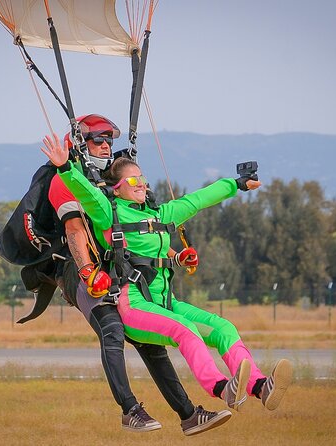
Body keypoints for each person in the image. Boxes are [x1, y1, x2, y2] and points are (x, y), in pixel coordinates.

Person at [41, 131, 293, 414]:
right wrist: (65, 168)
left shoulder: (162, 215)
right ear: (117, 188)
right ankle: (222, 388)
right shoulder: (108, 213)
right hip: (134, 306)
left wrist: (236, 184)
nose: (141, 185)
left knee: (223, 328)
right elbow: (87, 194)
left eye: (143, 180)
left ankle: (260, 386)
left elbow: (199, 199)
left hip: (166, 303)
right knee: (185, 330)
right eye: (134, 181)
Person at [47, 114, 232, 436]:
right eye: (97, 141)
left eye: (108, 141)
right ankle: (130, 409)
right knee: (113, 330)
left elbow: (141, 234)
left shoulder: (112, 178)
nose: (105, 147)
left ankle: (189, 416)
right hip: (82, 272)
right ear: (81, 144)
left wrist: (174, 255)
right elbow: (76, 231)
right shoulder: (65, 180)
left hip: (122, 273)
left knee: (151, 343)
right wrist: (88, 272)